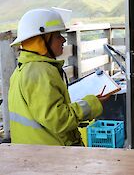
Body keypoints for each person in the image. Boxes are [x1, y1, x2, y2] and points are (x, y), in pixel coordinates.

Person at [8, 8, 109, 146]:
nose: (63, 40)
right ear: (41, 41)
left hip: (34, 153)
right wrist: (92, 103)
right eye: (57, 36)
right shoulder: (40, 71)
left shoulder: (24, 68)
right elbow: (58, 120)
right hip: (51, 156)